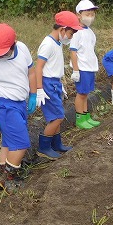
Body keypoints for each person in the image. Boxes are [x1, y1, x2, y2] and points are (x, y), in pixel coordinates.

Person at [0, 23, 37, 191]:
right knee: (21, 143)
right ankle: (10, 178)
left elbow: (31, 72)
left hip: (20, 102)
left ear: (14, 42)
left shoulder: (23, 49)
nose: (0, 56)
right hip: (3, 105)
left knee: (8, 142)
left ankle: (2, 177)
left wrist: (33, 94)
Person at [35, 11, 83, 159]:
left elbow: (53, 66)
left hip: (54, 83)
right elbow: (38, 68)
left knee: (55, 116)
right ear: (62, 29)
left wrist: (59, 83)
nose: (71, 36)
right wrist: (39, 89)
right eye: (71, 33)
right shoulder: (48, 44)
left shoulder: (57, 43)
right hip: (47, 84)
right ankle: (43, 148)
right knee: (58, 117)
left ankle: (56, 144)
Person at [69, 0, 100, 130]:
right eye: (87, 14)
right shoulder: (76, 32)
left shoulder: (90, 32)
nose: (90, 17)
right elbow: (73, 51)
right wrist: (76, 70)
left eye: (92, 14)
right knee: (81, 93)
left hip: (90, 67)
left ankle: (86, 116)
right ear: (78, 15)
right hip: (82, 68)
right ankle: (80, 118)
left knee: (86, 93)